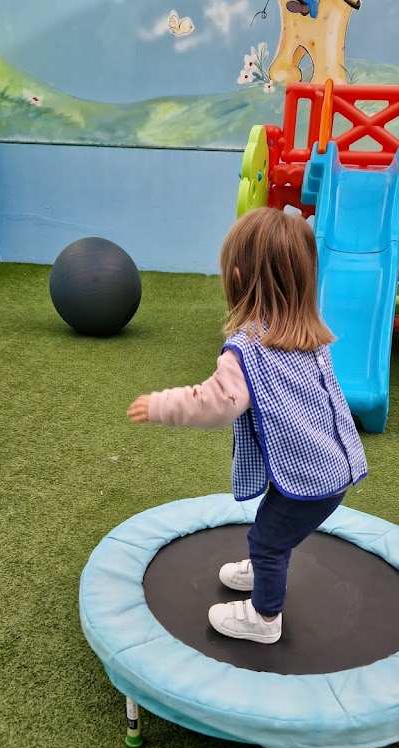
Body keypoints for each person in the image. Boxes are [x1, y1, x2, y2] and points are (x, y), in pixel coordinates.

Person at [127, 207, 367, 644]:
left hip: (310, 479)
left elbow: (214, 404)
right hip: (331, 467)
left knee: (268, 541)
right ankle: (263, 569)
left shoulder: (247, 349)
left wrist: (161, 405)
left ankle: (264, 617)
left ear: (237, 279)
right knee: (273, 524)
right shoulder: (311, 336)